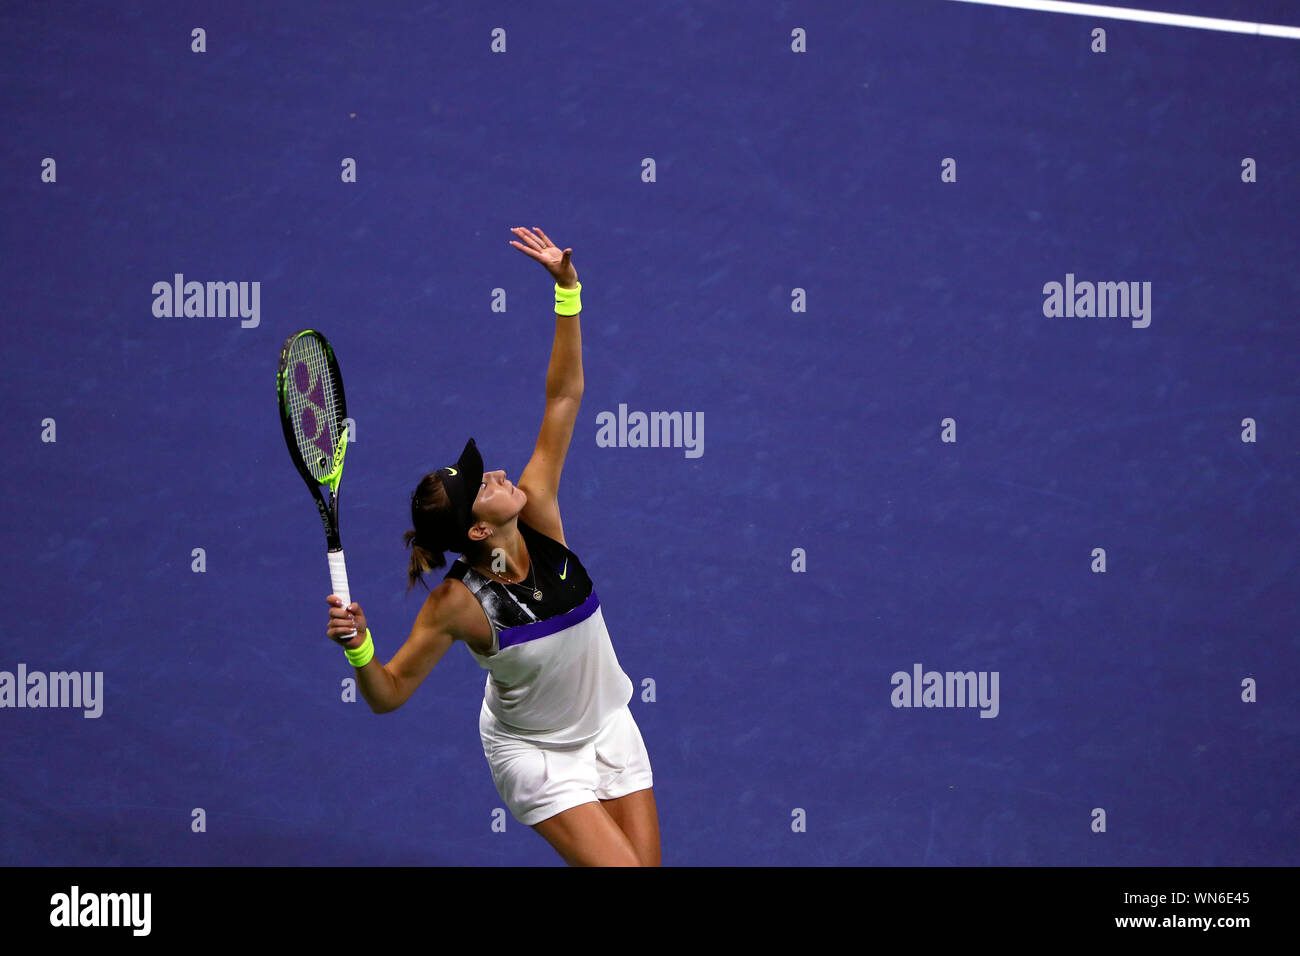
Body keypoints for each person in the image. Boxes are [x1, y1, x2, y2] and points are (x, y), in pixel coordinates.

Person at [325, 227, 660, 866]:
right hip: (535, 754)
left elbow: (563, 396)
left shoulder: (539, 508)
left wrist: (568, 291)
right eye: (483, 486)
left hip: (608, 725)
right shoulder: (457, 604)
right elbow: (388, 693)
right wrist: (360, 646)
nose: (500, 474)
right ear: (478, 531)